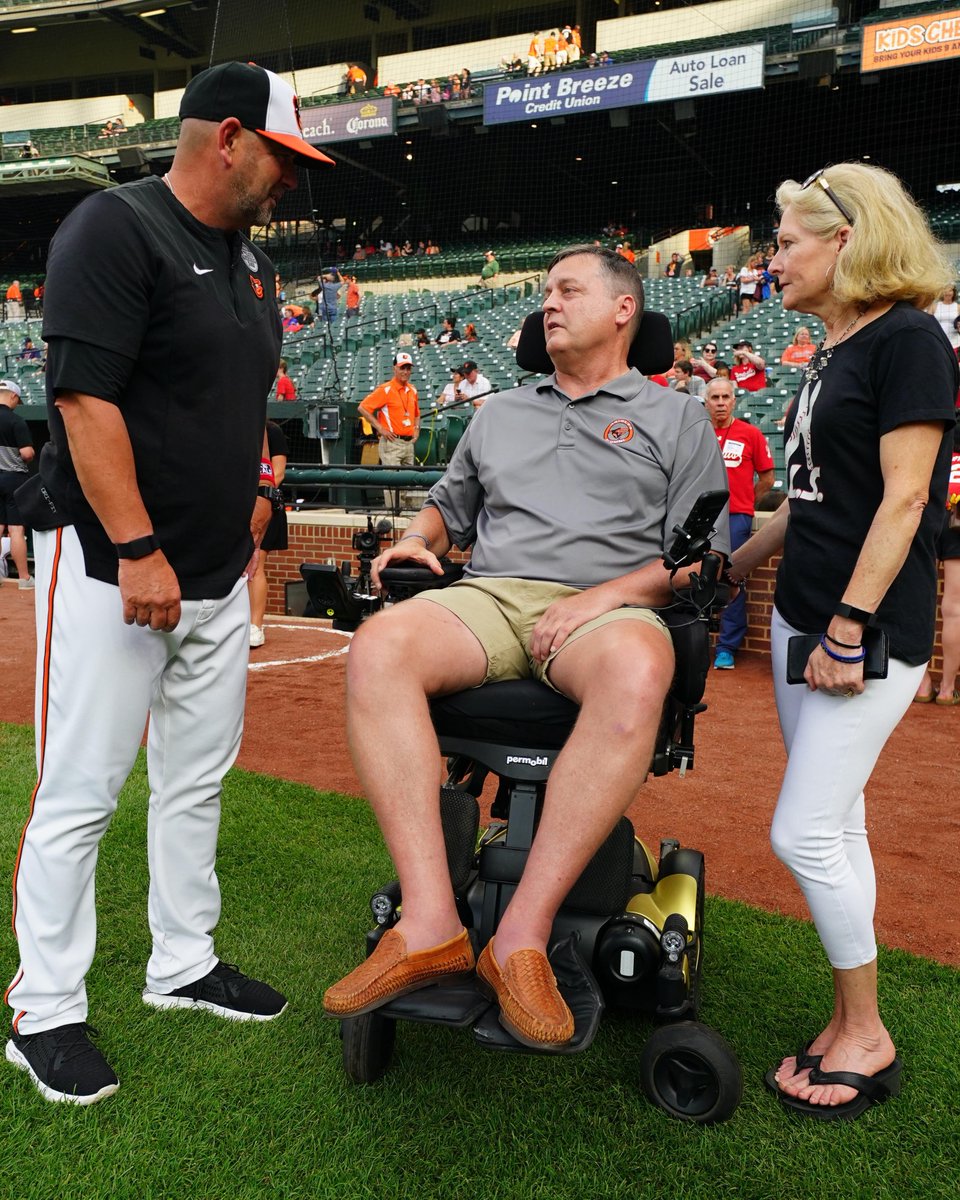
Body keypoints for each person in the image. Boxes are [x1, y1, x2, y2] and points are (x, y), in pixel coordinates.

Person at [4, 61, 334, 1107]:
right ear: (228, 137)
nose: (292, 179)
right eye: (283, 157)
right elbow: (84, 400)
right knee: (82, 791)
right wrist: (138, 544)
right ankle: (42, 1009)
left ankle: (181, 963)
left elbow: (239, 403)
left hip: (217, 574)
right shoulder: (115, 227)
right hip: (113, 568)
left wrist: (260, 489)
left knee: (194, 782)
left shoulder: (254, 267)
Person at [322, 245, 728, 1047]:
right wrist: (416, 536)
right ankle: (433, 921)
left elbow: (696, 560)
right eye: (545, 292)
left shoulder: (677, 415)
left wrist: (601, 600)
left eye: (568, 289)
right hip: (491, 599)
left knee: (639, 663)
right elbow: (447, 511)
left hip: (608, 607)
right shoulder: (497, 413)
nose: (549, 303)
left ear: (624, 310)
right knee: (380, 645)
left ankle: (521, 940)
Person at [728, 163, 957, 1120]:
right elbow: (815, 499)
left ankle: (865, 1033)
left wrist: (850, 626)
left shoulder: (907, 339)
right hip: (803, 618)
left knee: (803, 829)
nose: (770, 259)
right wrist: (730, 568)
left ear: (847, 241)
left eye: (785, 241)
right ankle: (843, 1017)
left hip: (857, 628)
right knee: (842, 823)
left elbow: (906, 499)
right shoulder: (833, 348)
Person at [703, 376, 774, 669]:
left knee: (730, 578)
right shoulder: (697, 434)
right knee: (694, 577)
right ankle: (694, 642)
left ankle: (727, 646)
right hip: (702, 520)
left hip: (736, 518)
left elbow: (768, 478)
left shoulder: (750, 433)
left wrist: (745, 502)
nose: (720, 403)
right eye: (714, 398)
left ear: (734, 400)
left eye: (725, 397)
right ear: (706, 402)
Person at [914, 423, 960, 704]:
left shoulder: (932, 444)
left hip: (929, 512)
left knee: (920, 600)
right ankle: (946, 689)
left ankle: (920, 684)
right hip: (958, 519)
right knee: (954, 609)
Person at [358, 351, 420, 510]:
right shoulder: (385, 389)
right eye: (402, 368)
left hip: (408, 443)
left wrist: (416, 429)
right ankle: (394, 514)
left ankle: (404, 514)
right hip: (392, 442)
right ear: (395, 368)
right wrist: (380, 428)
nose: (405, 372)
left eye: (408, 368)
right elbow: (363, 408)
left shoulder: (412, 390)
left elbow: (417, 414)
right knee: (392, 482)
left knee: (407, 481)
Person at [249, 420, 288, 648]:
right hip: (236, 505)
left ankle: (256, 625)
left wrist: (257, 494)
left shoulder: (272, 430)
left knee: (257, 564)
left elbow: (278, 473)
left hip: (265, 504)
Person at [0, 379, 35, 589]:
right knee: (15, 530)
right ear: (13, 396)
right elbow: (27, 453)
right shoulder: (16, 421)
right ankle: (24, 578)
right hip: (13, 478)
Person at [928, 283, 959, 350]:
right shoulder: (934, 306)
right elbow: (927, 323)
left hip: (955, 343)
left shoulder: (958, 307)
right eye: (945, 290)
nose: (947, 293)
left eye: (950, 290)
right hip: (938, 342)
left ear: (954, 292)